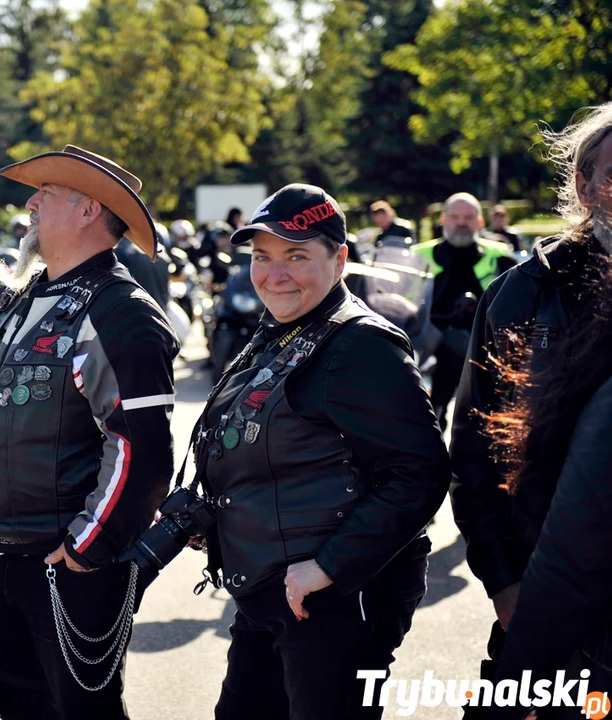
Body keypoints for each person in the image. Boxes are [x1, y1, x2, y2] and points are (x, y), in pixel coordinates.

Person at [0, 145, 178, 719]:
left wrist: (89, 548)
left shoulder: (122, 311)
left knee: (84, 712)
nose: (31, 202)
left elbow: (140, 448)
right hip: (2, 552)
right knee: (15, 703)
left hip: (72, 560)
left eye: (47, 193)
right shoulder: (13, 299)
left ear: (89, 210)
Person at [195, 184, 449, 719]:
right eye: (262, 257)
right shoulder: (283, 330)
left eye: (296, 255)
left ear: (339, 260)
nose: (274, 273)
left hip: (334, 600)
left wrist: (329, 567)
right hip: (269, 592)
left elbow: (420, 474)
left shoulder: (360, 345)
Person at [450, 102, 612, 717]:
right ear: (585, 185)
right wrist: (506, 583)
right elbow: (471, 452)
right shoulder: (523, 292)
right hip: (545, 597)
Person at [410, 193, 517, 426]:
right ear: (443, 220)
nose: (461, 222)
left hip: (485, 348)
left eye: (468, 217)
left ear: (480, 222)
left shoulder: (500, 256)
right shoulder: (418, 256)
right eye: (455, 216)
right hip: (430, 348)